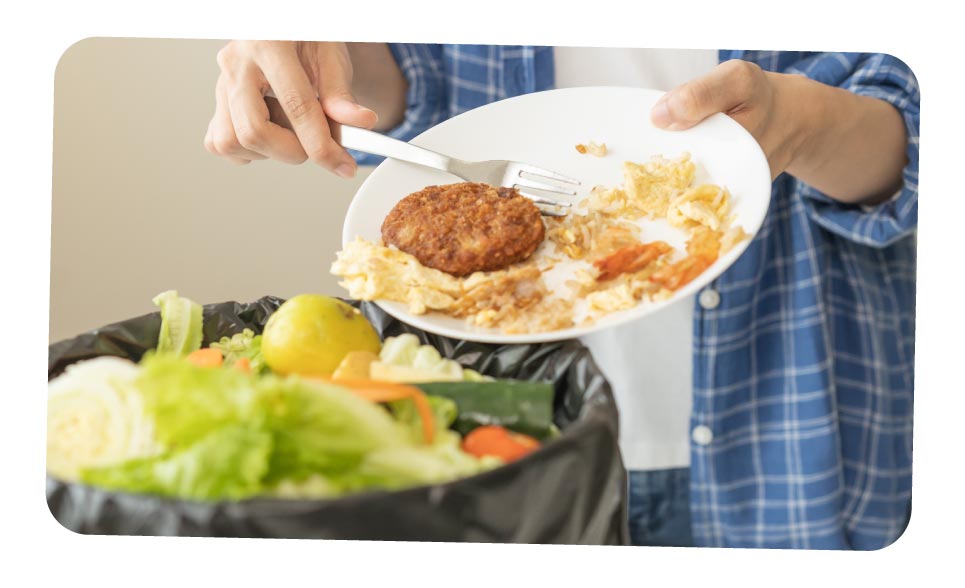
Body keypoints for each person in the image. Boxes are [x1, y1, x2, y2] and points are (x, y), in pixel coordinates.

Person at [204, 42, 919, 550]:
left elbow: (916, 134)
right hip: (507, 443)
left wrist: (814, 124)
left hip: (798, 430)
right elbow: (394, 75)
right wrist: (311, 56)